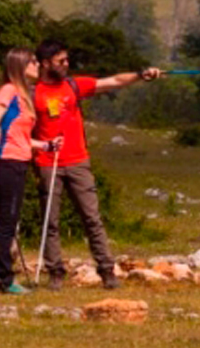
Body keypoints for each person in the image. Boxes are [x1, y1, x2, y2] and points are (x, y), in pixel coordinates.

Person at [32, 39, 161, 290]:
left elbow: (111, 82)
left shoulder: (73, 85)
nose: (67, 65)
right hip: (48, 163)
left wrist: (139, 75)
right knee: (50, 221)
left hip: (78, 161)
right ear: (46, 64)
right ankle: (55, 273)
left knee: (92, 218)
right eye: (61, 61)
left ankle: (107, 271)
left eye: (67, 60)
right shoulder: (33, 93)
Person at [0, 47, 57, 294]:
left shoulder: (23, 95)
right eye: (33, 62)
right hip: (7, 161)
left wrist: (46, 145)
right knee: (7, 223)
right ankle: (4, 280)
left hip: (18, 160)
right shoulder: (9, 90)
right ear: (20, 65)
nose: (38, 66)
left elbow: (20, 136)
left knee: (4, 222)